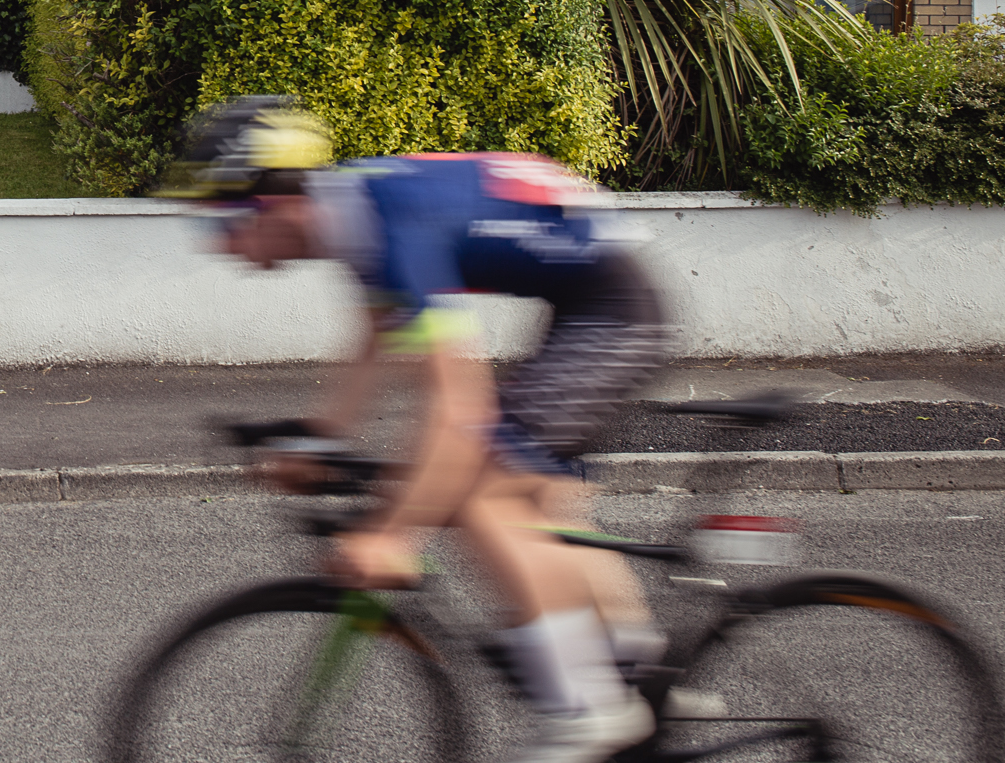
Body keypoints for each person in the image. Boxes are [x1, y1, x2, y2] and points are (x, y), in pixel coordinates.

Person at [167, 96, 673, 763]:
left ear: (275, 199)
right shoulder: (353, 214)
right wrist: (322, 435)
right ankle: (644, 673)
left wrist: (394, 533)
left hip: (612, 314)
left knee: (481, 490)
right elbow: (378, 334)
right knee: (543, 500)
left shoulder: (388, 224)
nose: (220, 242)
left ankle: (592, 708)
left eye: (225, 218)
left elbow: (458, 408)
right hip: (589, 301)